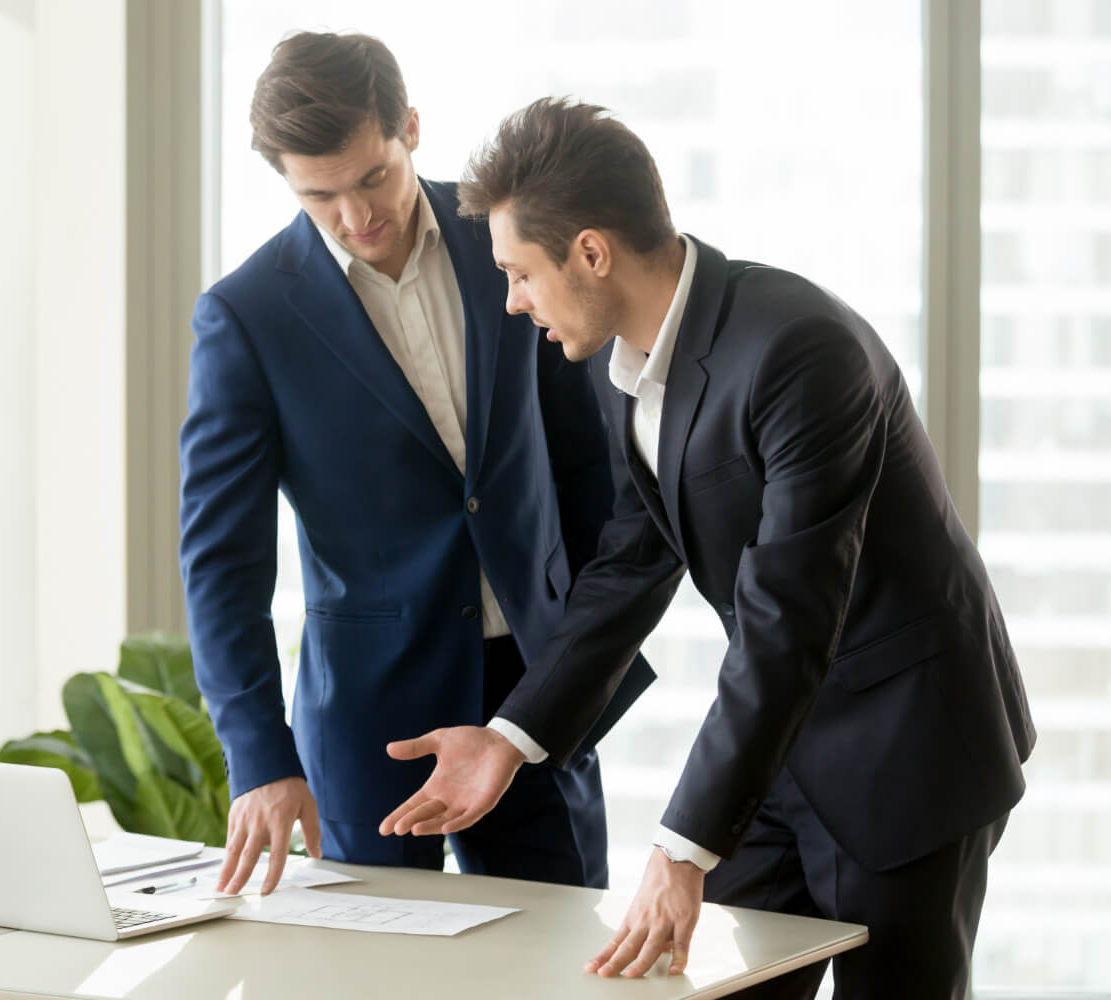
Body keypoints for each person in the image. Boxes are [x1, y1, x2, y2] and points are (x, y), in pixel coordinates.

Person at [379, 97, 1035, 998]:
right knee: (700, 985)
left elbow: (786, 617)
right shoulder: (622, 359)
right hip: (782, 748)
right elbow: (631, 564)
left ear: (592, 253)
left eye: (520, 273)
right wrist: (511, 736)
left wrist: (679, 848)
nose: (512, 301)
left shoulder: (801, 351)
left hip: (906, 750)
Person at [178, 40, 653, 897]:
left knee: (559, 965)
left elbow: (591, 468)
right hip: (371, 721)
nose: (355, 215)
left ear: (410, 129)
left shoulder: (502, 241)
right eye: (318, 195)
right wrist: (259, 758)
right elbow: (222, 565)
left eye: (372, 178)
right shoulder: (247, 319)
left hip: (535, 696)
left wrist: (582, 670)